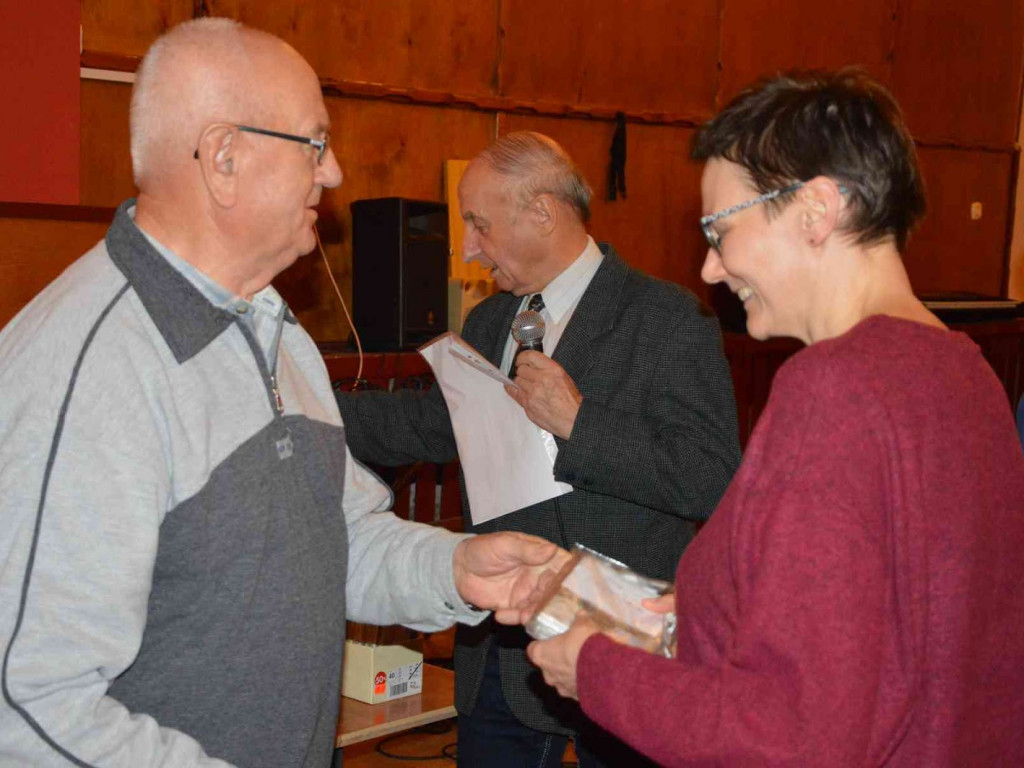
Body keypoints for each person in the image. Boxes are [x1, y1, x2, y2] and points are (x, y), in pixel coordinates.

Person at [0, 19, 568, 768]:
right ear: (224, 158)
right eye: (314, 141)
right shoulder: (90, 367)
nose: (332, 172)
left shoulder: (274, 325)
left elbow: (340, 535)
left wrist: (455, 568)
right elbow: (27, 709)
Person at [526, 70, 1024, 766]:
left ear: (816, 210)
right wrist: (707, 607)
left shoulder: (836, 389)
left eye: (719, 230)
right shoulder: (967, 374)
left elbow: (791, 734)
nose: (708, 268)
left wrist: (598, 671)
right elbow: (901, 634)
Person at [335, 131, 741, 766]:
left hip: (622, 641)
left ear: (542, 213)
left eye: (478, 224)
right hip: (503, 649)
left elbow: (709, 477)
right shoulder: (490, 322)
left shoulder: (665, 318)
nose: (467, 247)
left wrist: (581, 422)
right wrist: (305, 409)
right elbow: (430, 426)